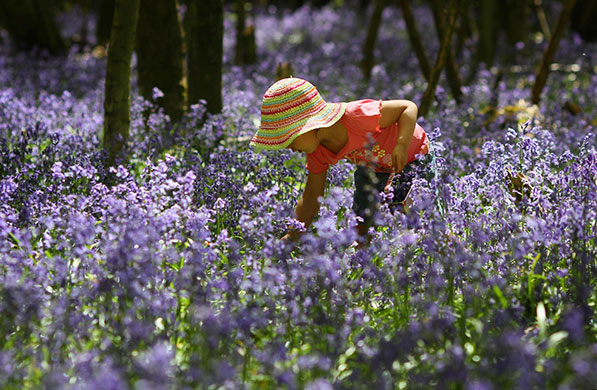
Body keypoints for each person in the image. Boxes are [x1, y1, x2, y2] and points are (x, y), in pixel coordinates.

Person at [250, 77, 430, 243]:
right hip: (375, 169)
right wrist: (293, 235)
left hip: (413, 158)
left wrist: (401, 145)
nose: (287, 146)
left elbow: (407, 107)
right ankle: (362, 262)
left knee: (415, 215)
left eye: (289, 137)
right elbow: (312, 196)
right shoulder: (318, 151)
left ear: (309, 125)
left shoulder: (357, 116)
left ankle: (445, 247)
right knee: (362, 217)